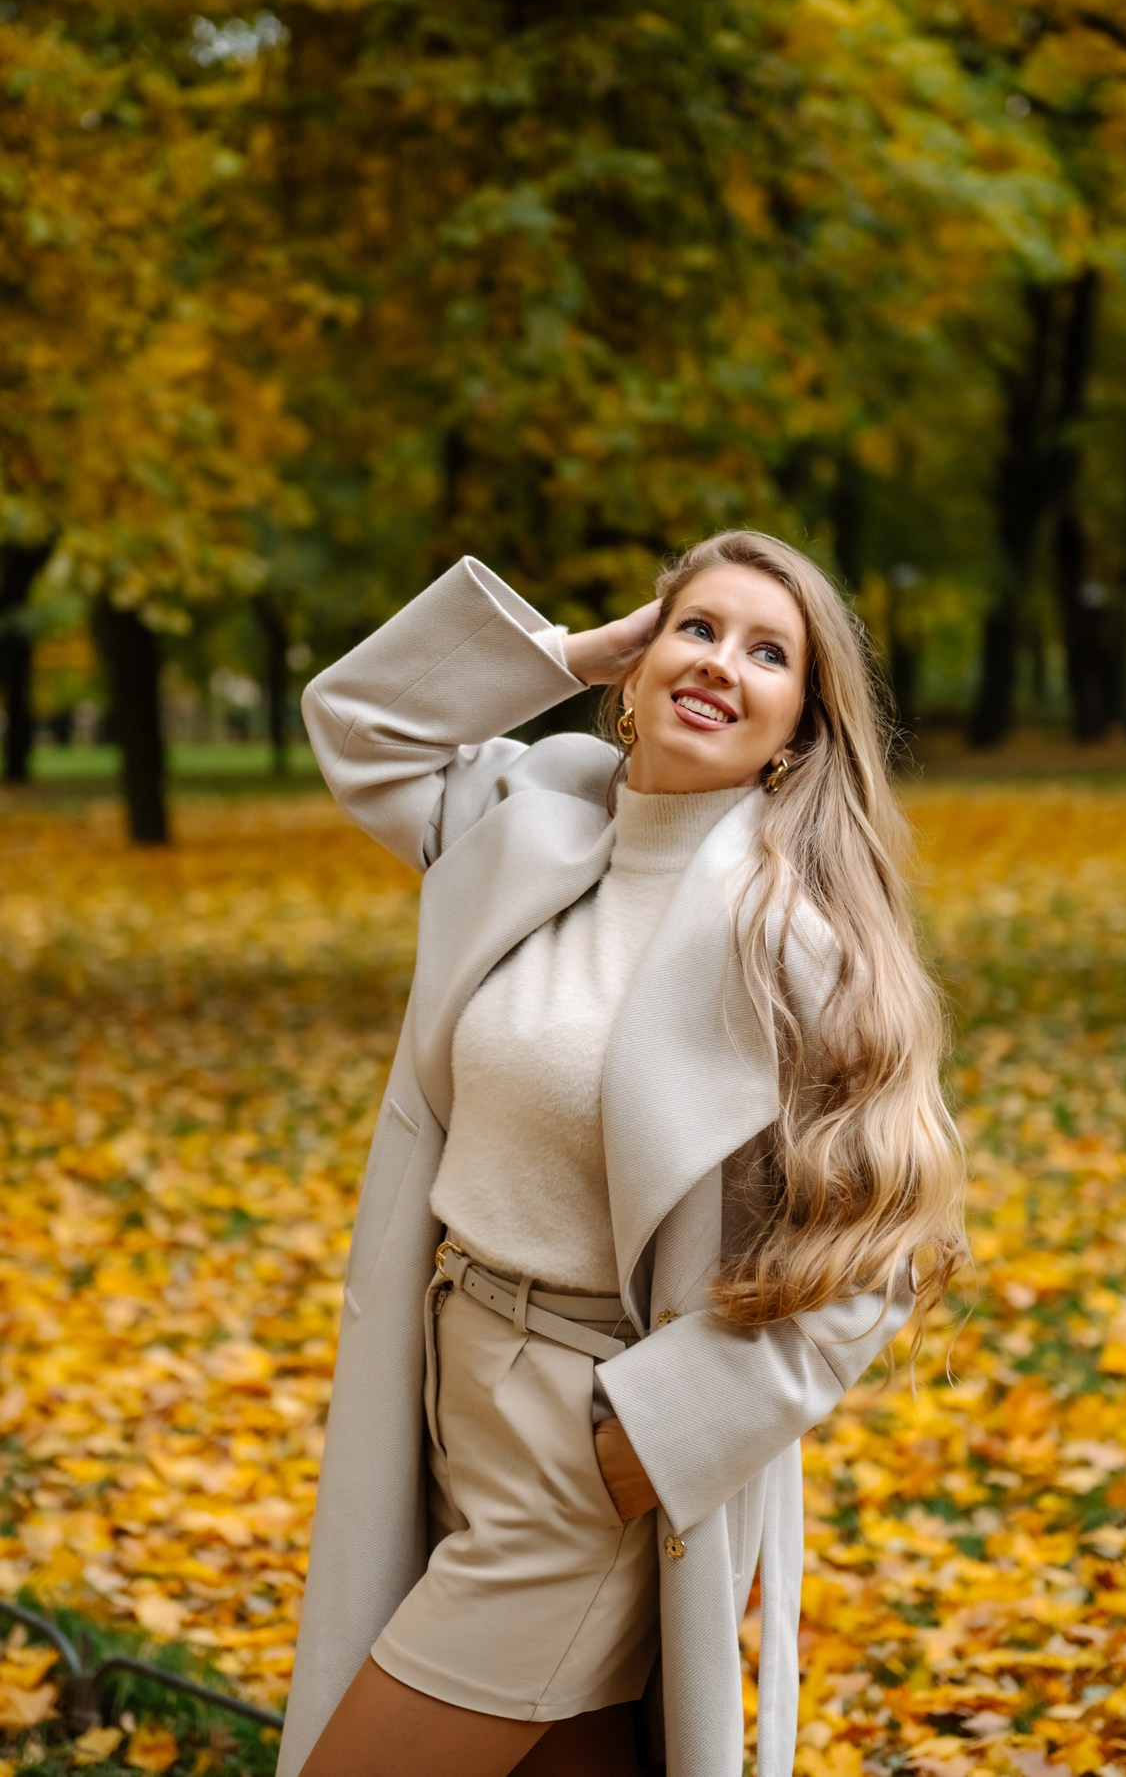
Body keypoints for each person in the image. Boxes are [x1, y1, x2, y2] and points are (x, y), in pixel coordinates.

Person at [276, 530, 966, 1777]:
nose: (721, 663)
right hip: (443, 1383)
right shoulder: (531, 814)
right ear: (636, 670)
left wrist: (653, 1433)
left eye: (768, 654)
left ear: (797, 731)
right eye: (696, 628)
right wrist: (566, 651)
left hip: (587, 1443)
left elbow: (878, 1249)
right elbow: (360, 723)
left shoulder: (797, 945)